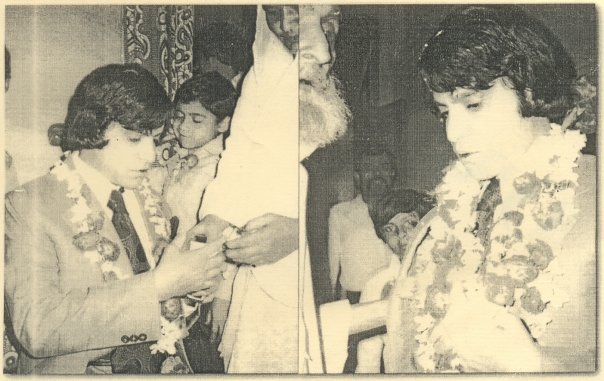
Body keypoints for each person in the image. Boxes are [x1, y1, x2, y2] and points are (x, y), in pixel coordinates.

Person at [384, 5, 596, 372]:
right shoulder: (437, 222)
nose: (452, 133)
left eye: (474, 105)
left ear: (528, 88)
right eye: (445, 113)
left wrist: (531, 366)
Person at [4, 64, 226, 374]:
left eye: (155, 139)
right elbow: (36, 328)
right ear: (93, 128)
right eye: (135, 139)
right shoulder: (29, 205)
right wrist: (158, 286)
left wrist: (191, 287)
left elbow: (172, 309)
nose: (150, 156)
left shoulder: (150, 196)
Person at [148, 71, 237, 248]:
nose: (183, 127)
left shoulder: (223, 165)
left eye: (197, 120)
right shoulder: (169, 150)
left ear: (223, 124)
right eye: (179, 116)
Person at [355, 191, 433, 373]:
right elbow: (367, 363)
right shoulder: (377, 284)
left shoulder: (449, 270)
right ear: (382, 238)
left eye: (410, 224)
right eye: (390, 229)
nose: (402, 235)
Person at [329, 148, 398, 304]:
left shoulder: (405, 210)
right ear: (357, 177)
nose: (377, 174)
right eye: (369, 169)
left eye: (384, 167)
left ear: (392, 173)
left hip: (395, 297)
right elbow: (332, 269)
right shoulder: (340, 213)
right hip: (355, 302)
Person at [194, 21, 252, 90]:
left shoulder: (229, 91)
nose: (197, 67)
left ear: (212, 59)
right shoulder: (248, 82)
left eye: (200, 59)